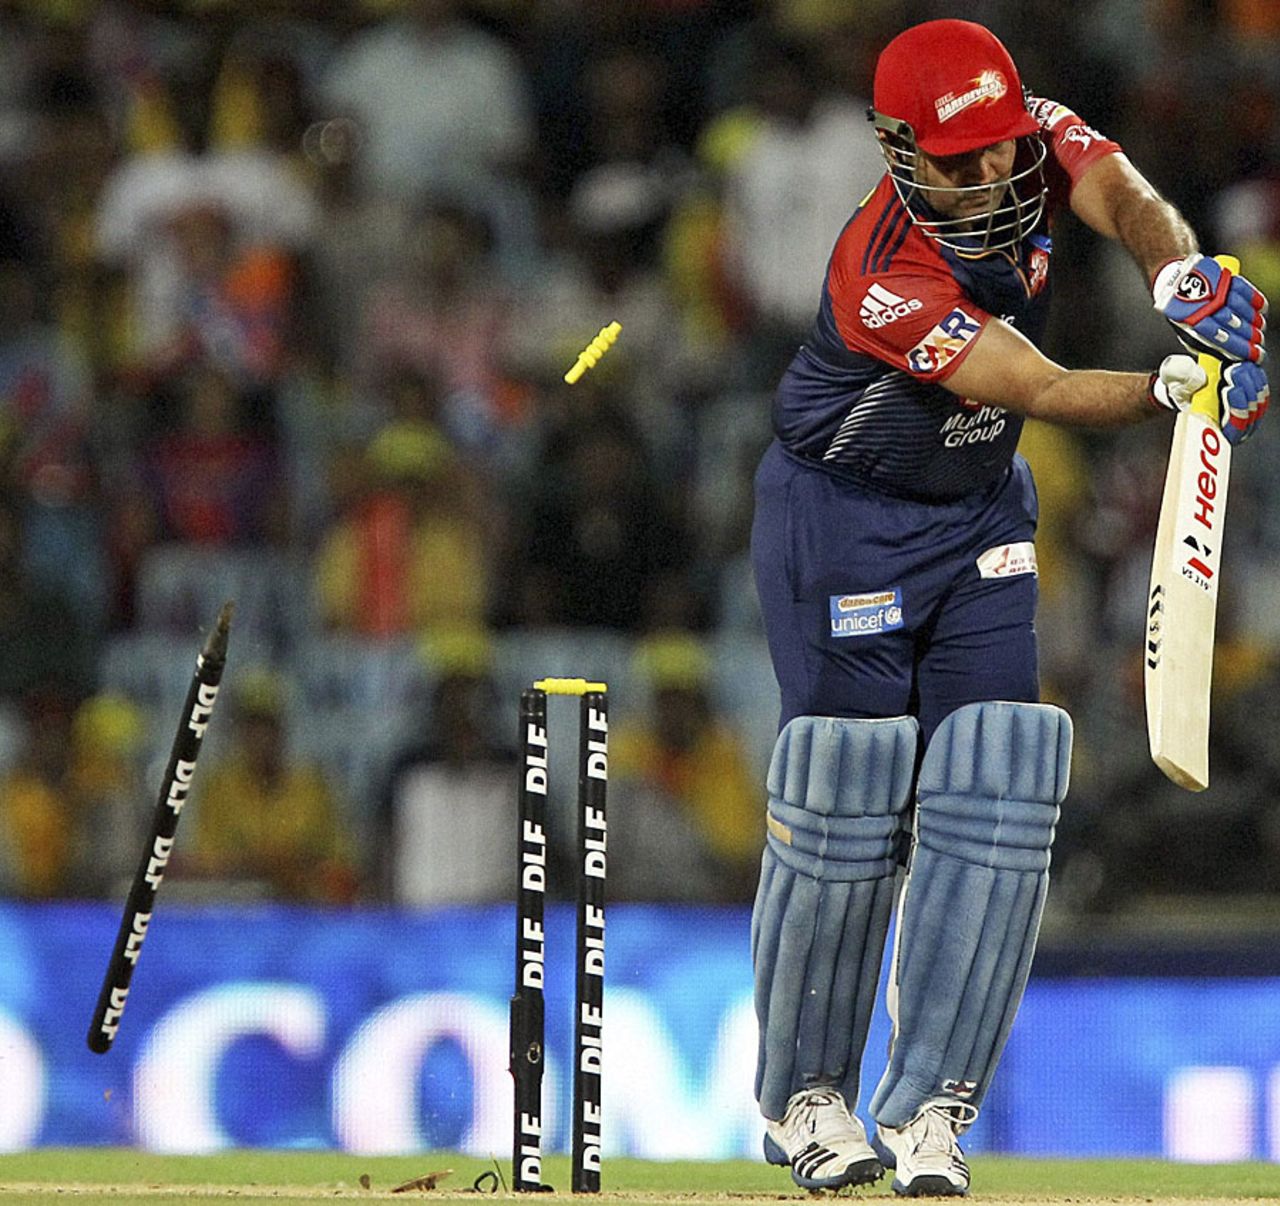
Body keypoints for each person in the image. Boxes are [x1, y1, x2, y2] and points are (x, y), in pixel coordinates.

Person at [748, 19, 1269, 1198]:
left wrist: (1176, 274)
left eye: (999, 151)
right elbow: (1030, 384)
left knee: (998, 777)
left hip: (975, 508)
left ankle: (932, 1104)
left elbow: (1123, 189)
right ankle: (805, 1098)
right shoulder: (880, 275)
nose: (992, 178)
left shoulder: (1015, 133)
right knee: (848, 788)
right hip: (843, 521)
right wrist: (1168, 388)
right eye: (960, 163)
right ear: (899, 154)